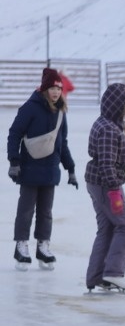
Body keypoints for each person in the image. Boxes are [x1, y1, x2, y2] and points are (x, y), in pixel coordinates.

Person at [7, 68, 78, 271]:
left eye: (59, 88)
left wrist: (70, 168)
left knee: (46, 212)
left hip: (50, 169)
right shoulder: (30, 108)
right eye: (52, 88)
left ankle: (43, 246)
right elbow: (14, 134)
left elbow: (62, 143)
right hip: (29, 168)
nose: (56, 92)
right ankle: (21, 246)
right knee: (26, 210)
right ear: (45, 89)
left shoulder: (60, 113)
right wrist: (14, 162)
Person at [85, 82, 125, 293]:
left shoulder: (107, 123)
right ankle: (114, 273)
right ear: (117, 105)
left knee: (107, 228)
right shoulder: (108, 129)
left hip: (98, 183)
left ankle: (97, 276)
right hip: (106, 185)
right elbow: (106, 164)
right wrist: (115, 190)